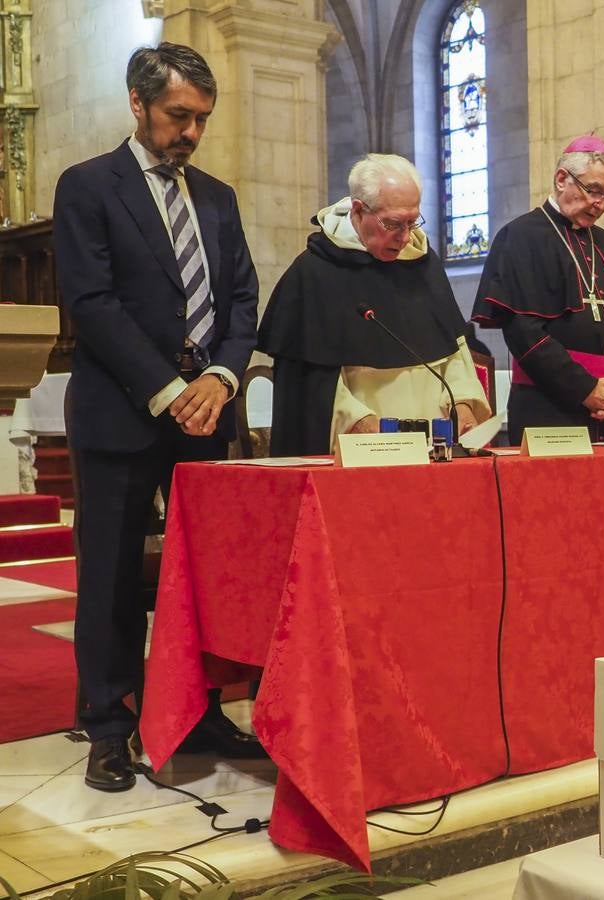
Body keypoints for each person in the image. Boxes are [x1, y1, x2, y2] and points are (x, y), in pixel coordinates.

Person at [54, 43, 264, 792]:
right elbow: (92, 305)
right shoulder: (88, 186)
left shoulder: (217, 196)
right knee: (109, 575)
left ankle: (198, 710)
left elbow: (241, 299)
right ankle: (109, 725)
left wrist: (220, 375)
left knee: (204, 577)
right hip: (122, 411)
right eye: (180, 115)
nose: (192, 133)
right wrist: (168, 389)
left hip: (208, 413)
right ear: (138, 104)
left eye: (203, 118)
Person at [258, 154, 491, 455]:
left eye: (413, 221)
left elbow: (453, 352)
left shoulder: (423, 265)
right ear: (358, 210)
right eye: (393, 224)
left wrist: (464, 404)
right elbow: (310, 383)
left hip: (434, 452)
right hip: (360, 451)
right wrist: (358, 423)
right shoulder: (314, 274)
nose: (406, 237)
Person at [471, 136, 604, 444]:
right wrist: (584, 389)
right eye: (593, 190)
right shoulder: (520, 237)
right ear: (561, 179)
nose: (601, 203)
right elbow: (523, 331)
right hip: (547, 407)